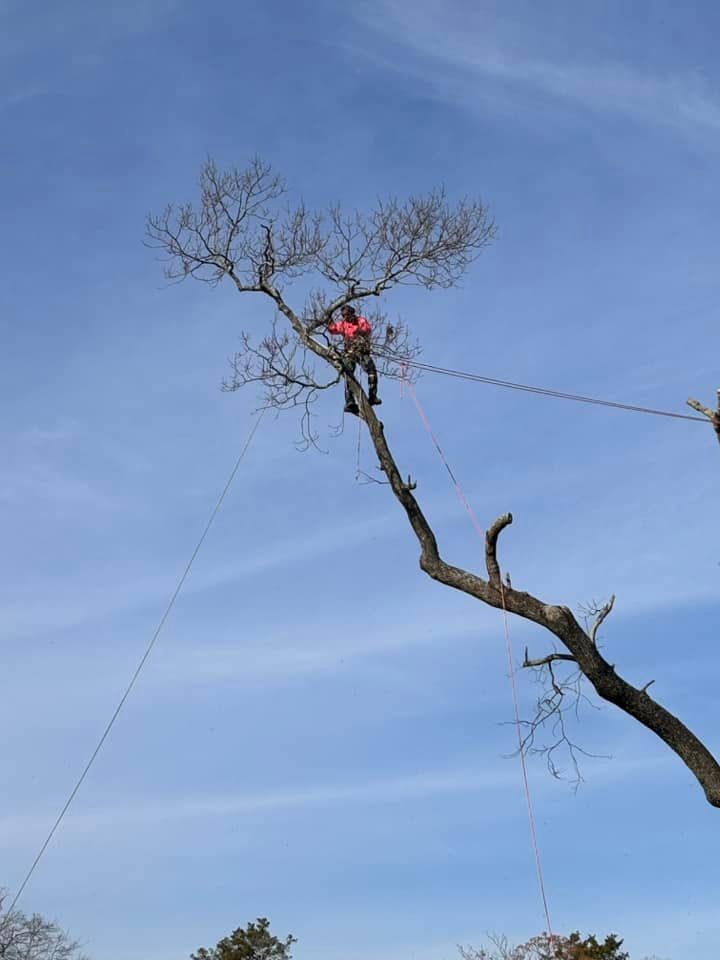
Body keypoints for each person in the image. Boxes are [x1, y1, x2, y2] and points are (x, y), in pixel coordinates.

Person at [326, 304, 382, 415]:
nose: (345, 317)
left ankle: (372, 396)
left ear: (352, 313)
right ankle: (350, 401)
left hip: (361, 350)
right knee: (348, 372)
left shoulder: (360, 320)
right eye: (343, 315)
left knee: (371, 370)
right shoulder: (343, 324)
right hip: (349, 352)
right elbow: (332, 328)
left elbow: (366, 330)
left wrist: (358, 332)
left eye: (347, 314)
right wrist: (328, 317)